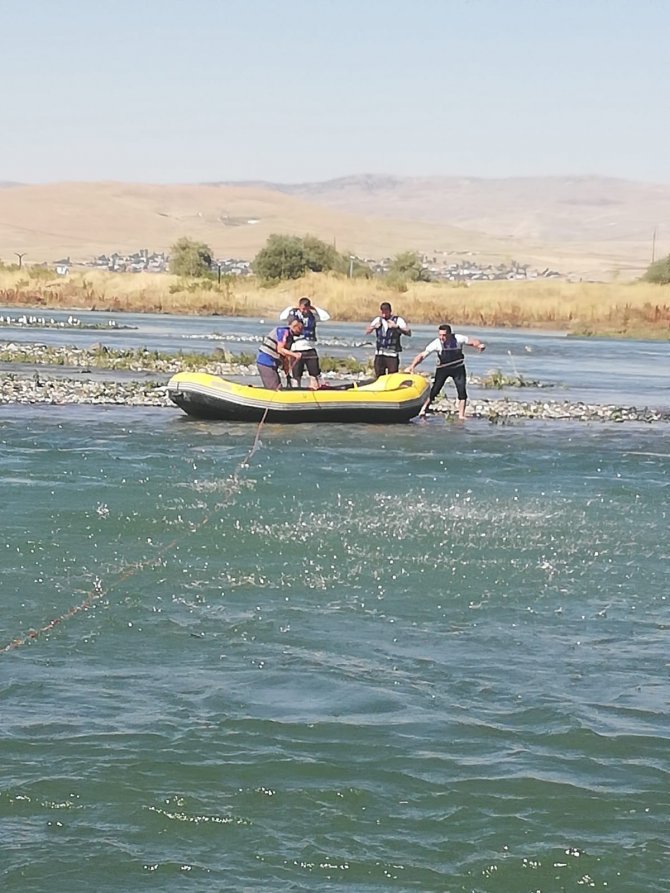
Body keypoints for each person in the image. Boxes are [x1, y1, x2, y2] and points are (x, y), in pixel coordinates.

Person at [406, 323, 486, 420]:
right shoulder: (436, 343)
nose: (441, 337)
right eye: (440, 335)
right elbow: (422, 355)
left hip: (458, 368)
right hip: (443, 369)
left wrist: (479, 345)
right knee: (435, 390)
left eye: (444, 335)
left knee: (462, 390)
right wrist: (412, 366)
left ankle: (461, 415)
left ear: (450, 334)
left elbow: (472, 341)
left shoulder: (458, 338)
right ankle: (423, 409)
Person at [279, 296, 331, 389]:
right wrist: (292, 307)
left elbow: (326, 317)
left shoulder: (313, 316)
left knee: (314, 374)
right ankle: (295, 390)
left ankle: (314, 389)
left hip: (310, 349)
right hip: (296, 349)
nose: (304, 311)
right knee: (296, 375)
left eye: (306, 309)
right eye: (302, 309)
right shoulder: (293, 314)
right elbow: (282, 317)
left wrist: (314, 308)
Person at [365, 301, 411, 378]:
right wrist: (374, 327)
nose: (384, 314)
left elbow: (409, 333)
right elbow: (367, 331)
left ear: (390, 311)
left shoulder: (398, 320)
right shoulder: (378, 320)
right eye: (382, 312)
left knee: (392, 377)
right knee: (379, 376)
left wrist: (396, 327)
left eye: (386, 312)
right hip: (380, 354)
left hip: (392, 354)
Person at [256, 318, 304, 390]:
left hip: (273, 364)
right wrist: (295, 355)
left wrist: (287, 371)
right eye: (300, 328)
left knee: (278, 386)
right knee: (275, 388)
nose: (301, 331)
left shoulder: (290, 338)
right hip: (265, 362)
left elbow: (285, 356)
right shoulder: (283, 332)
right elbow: (280, 349)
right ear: (294, 327)